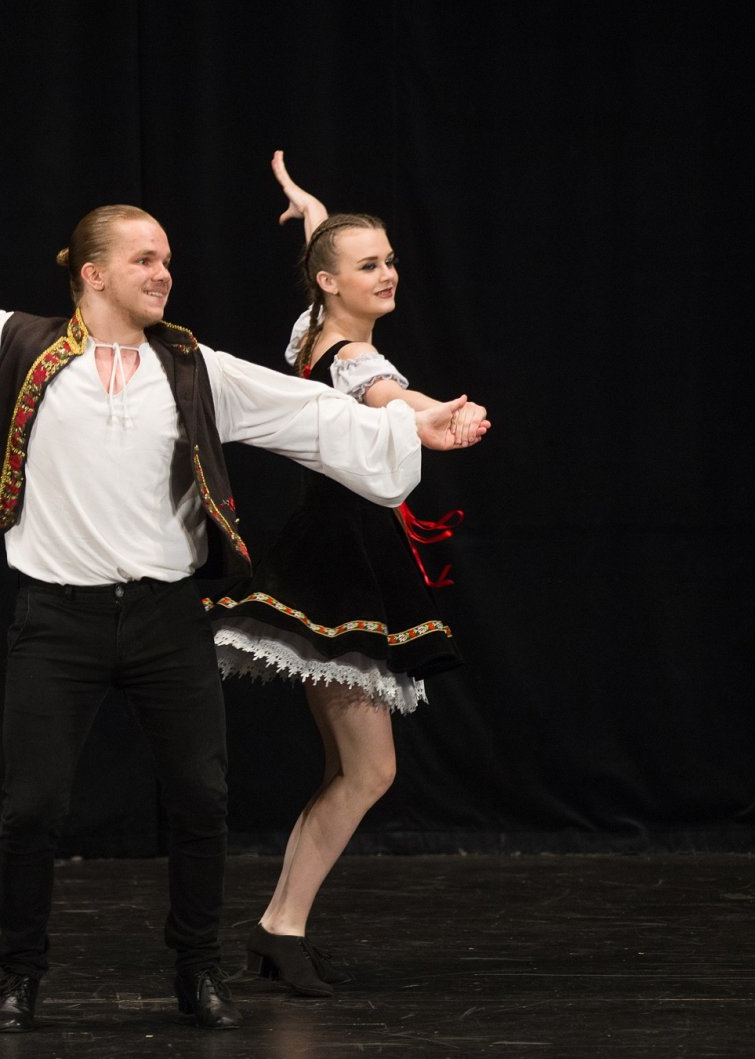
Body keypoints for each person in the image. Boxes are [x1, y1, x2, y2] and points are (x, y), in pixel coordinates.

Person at [0, 203, 488, 1032]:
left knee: (200, 801)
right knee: (33, 809)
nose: (163, 273)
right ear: (93, 273)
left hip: (165, 620)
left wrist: (410, 422)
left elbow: (304, 411)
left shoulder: (190, 366)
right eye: (145, 259)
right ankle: (21, 975)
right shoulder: (23, 347)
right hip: (59, 622)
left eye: (167, 260)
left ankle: (198, 971)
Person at [209, 153, 491, 997]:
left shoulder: (311, 334)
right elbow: (385, 397)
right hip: (342, 574)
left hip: (332, 559)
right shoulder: (355, 362)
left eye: (391, 260)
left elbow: (321, 294)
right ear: (331, 282)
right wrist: (441, 412)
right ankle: (279, 928)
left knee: (354, 770)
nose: (389, 274)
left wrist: (313, 213)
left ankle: (279, 929)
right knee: (370, 771)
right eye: (370, 265)